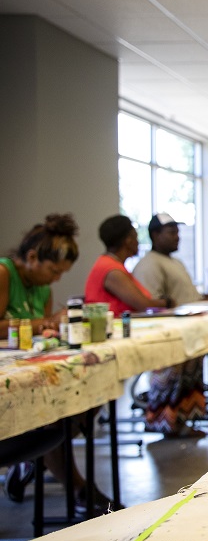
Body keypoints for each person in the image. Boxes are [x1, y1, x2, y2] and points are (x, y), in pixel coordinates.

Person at [0, 214, 101, 511]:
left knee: (87, 396)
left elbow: (39, 331)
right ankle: (79, 489)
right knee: (55, 413)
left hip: (29, 363)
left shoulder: (42, 287)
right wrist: (42, 322)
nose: (56, 279)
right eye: (54, 270)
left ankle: (36, 459)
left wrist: (52, 327)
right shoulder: (4, 274)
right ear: (32, 257)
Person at [131, 213, 207, 437]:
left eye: (178, 232)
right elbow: (151, 305)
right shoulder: (149, 265)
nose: (178, 237)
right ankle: (168, 424)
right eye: (172, 233)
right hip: (169, 335)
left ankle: (184, 422)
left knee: (188, 382)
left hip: (188, 331)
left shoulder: (175, 262)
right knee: (171, 384)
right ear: (155, 235)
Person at [85, 215, 170, 316]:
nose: (138, 242)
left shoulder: (111, 264)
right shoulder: (111, 270)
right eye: (136, 237)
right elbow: (143, 305)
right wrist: (167, 302)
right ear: (128, 240)